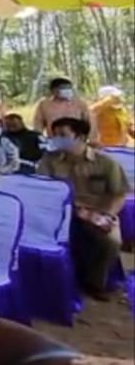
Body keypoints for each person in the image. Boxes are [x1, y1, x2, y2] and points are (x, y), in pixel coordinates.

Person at [37, 117, 131, 300]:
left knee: (111, 241)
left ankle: (95, 283)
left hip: (97, 211)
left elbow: (119, 194)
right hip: (60, 213)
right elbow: (42, 190)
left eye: (62, 135)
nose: (56, 139)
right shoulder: (49, 160)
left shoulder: (106, 162)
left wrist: (107, 215)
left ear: (80, 137)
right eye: (54, 134)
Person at [32, 77, 97, 143]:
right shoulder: (44, 105)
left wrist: (91, 139)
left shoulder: (79, 103)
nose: (68, 90)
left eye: (69, 87)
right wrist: (39, 140)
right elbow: (38, 125)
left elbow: (91, 122)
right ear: (54, 90)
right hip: (54, 142)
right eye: (64, 88)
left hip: (77, 142)